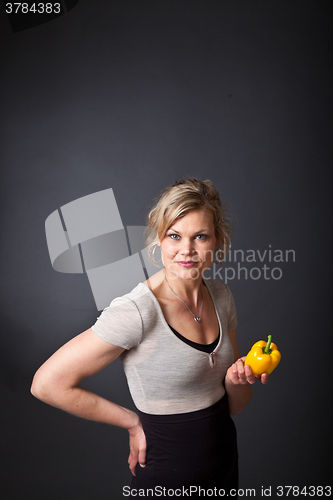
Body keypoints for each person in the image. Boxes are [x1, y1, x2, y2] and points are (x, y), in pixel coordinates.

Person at [31, 178, 268, 499]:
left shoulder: (222, 296)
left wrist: (238, 381)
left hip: (224, 468)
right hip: (166, 477)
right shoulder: (137, 311)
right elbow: (46, 384)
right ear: (159, 240)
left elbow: (235, 407)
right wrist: (131, 422)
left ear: (217, 241)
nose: (187, 250)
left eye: (200, 236)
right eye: (174, 236)